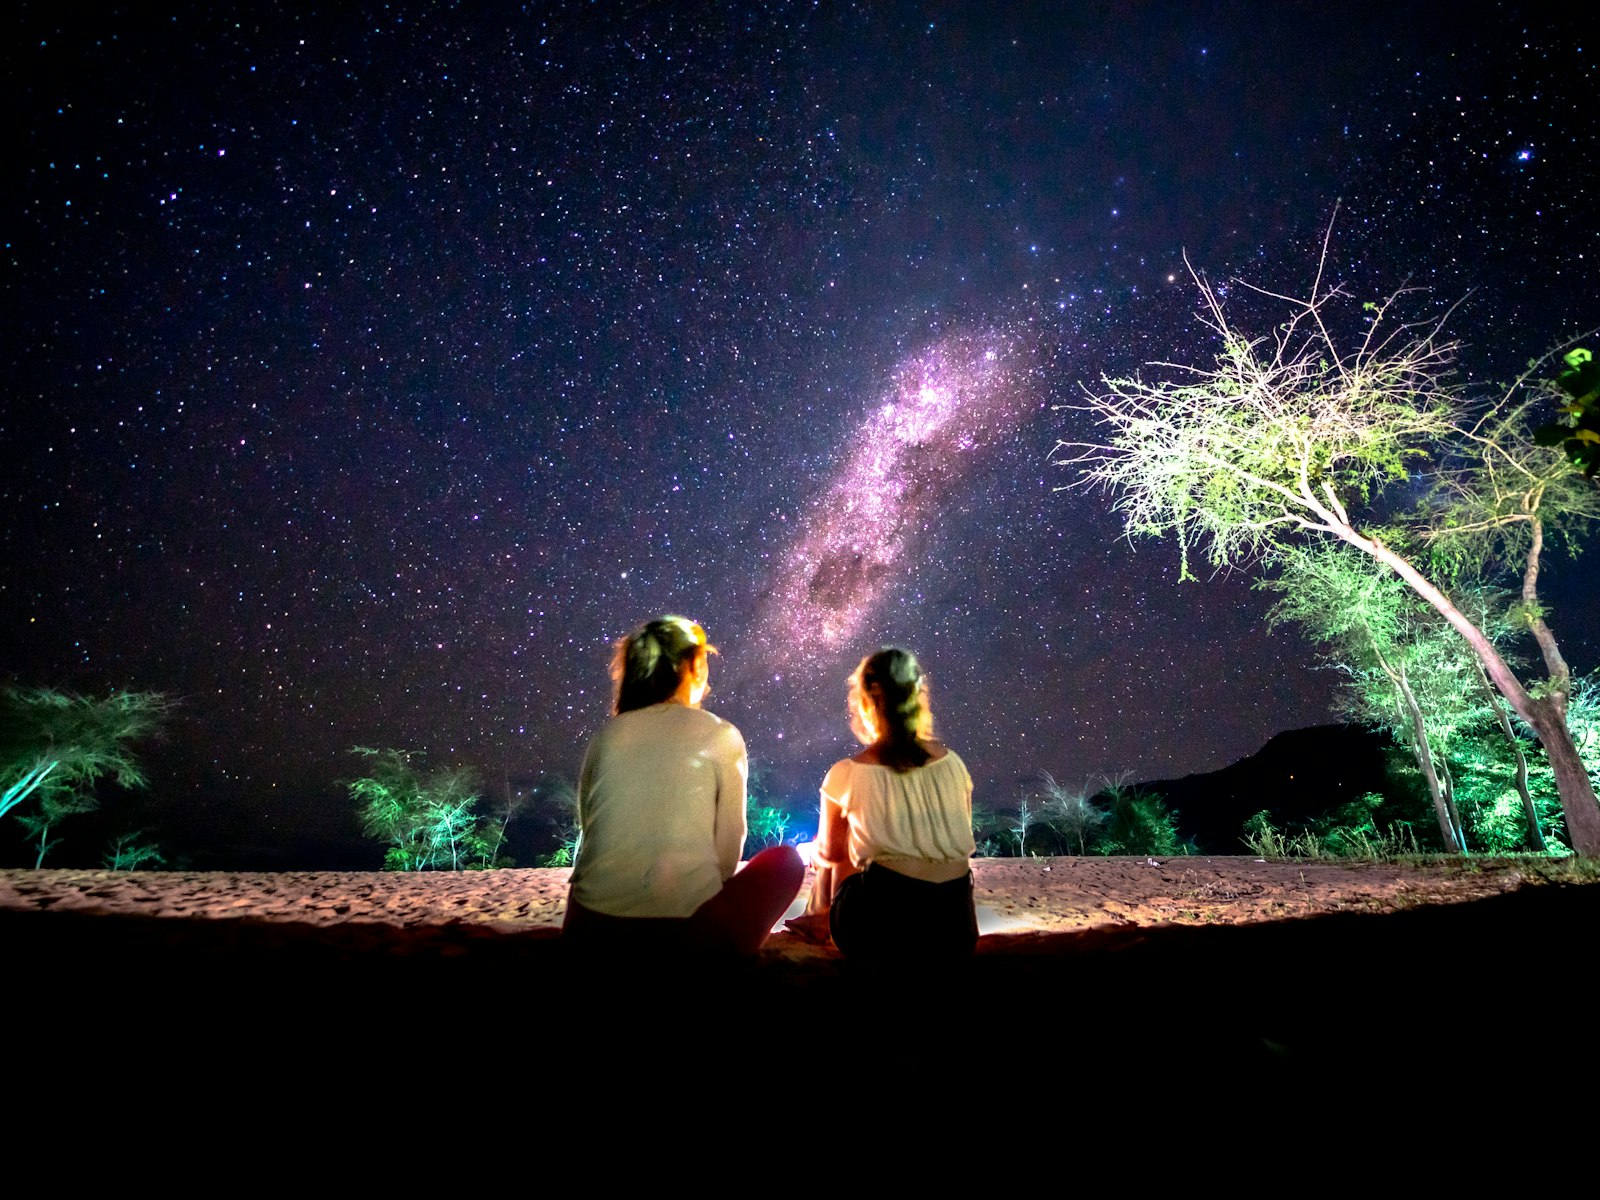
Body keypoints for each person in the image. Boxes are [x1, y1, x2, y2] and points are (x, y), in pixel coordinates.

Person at [562, 614, 804, 958]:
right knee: (787, 862)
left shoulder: (606, 736)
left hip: (588, 935)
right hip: (688, 939)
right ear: (692, 666)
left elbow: (588, 829)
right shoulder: (721, 734)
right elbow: (729, 846)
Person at [789, 646, 978, 964]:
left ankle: (820, 919)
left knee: (842, 845)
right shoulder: (954, 764)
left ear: (865, 702)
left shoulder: (847, 773)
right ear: (918, 696)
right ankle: (820, 917)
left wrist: (813, 850)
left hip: (881, 930)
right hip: (955, 928)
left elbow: (832, 854)